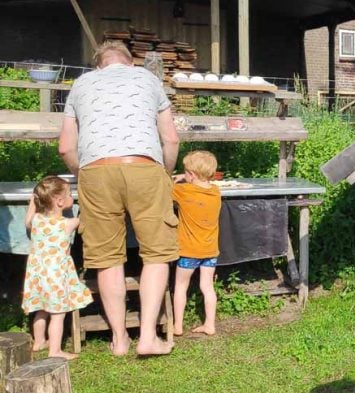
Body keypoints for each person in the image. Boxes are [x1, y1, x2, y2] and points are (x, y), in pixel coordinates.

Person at [58, 40, 180, 357]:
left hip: (96, 172)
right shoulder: (148, 79)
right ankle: (149, 336)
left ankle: (120, 339)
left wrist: (83, 172)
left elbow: (66, 148)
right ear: (129, 61)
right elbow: (170, 138)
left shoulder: (81, 84)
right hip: (144, 166)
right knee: (156, 253)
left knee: (106, 258)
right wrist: (165, 173)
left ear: (99, 64)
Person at [22, 175, 93, 360]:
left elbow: (27, 219)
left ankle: (39, 342)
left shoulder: (36, 220)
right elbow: (87, 216)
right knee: (58, 314)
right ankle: (55, 351)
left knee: (41, 309)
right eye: (70, 194)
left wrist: (33, 200)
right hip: (55, 276)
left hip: (37, 275)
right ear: (60, 201)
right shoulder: (67, 224)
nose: (73, 196)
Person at [171, 150, 222, 336]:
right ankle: (210, 325)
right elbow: (204, 186)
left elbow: (165, 189)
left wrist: (176, 180)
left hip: (188, 251)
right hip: (210, 251)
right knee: (207, 287)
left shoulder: (182, 191)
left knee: (180, 286)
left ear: (191, 175)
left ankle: (177, 325)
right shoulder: (216, 192)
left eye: (185, 171)